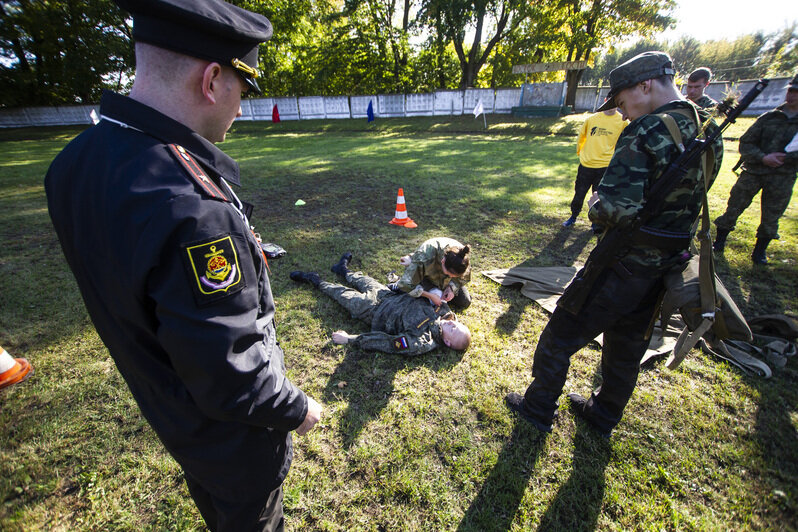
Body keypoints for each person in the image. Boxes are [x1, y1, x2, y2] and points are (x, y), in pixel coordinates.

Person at [44, 1, 321, 530]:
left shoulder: (74, 163)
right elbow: (232, 375)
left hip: (174, 418)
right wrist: (296, 408)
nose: (242, 107)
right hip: (232, 446)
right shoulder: (192, 206)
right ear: (212, 79)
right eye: (244, 87)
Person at [505, 52, 724, 438]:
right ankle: (603, 416)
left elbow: (614, 209)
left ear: (645, 85)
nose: (622, 114)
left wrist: (595, 206)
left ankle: (538, 408)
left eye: (622, 103)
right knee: (626, 348)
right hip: (666, 266)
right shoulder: (707, 128)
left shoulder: (646, 130)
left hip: (621, 263)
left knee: (559, 335)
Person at [290, 254, 471, 355]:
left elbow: (388, 343)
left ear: (447, 342)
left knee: (341, 293)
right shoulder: (444, 311)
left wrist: (350, 339)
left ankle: (314, 280)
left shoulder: (422, 341)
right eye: (457, 324)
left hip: (373, 309)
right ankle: (343, 269)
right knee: (363, 279)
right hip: (388, 294)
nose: (452, 323)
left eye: (453, 330)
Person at [713, 75, 798, 264]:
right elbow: (746, 142)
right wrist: (763, 157)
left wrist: (788, 158)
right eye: (791, 90)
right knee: (734, 206)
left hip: (783, 176)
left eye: (796, 92)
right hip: (754, 172)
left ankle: (760, 252)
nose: (792, 95)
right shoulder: (769, 117)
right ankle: (719, 242)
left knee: (772, 214)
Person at [562, 107, 626, 227]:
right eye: (610, 102)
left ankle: (596, 222)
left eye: (615, 102)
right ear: (606, 101)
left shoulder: (623, 121)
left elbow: (625, 142)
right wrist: (580, 153)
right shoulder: (592, 119)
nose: (612, 106)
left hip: (605, 166)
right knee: (579, 193)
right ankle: (573, 216)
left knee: (600, 196)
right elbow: (581, 136)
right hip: (587, 165)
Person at [393, 237, 472, 309]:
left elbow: (462, 278)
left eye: (453, 276)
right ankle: (398, 280)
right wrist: (430, 296)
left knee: (464, 302)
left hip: (443, 282)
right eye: (448, 274)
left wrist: (451, 288)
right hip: (426, 276)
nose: (451, 277)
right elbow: (405, 285)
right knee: (420, 304)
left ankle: (435, 290)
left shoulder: (462, 257)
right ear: (443, 261)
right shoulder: (424, 256)